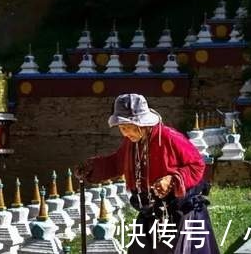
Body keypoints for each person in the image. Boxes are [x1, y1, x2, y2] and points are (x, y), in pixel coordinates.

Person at [76, 93, 219, 254]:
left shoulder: (169, 137)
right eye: (121, 129)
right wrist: (92, 168)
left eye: (126, 127)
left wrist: (172, 179)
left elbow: (197, 164)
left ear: (139, 123)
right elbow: (117, 162)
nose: (124, 133)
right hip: (149, 209)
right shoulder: (131, 142)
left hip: (177, 211)